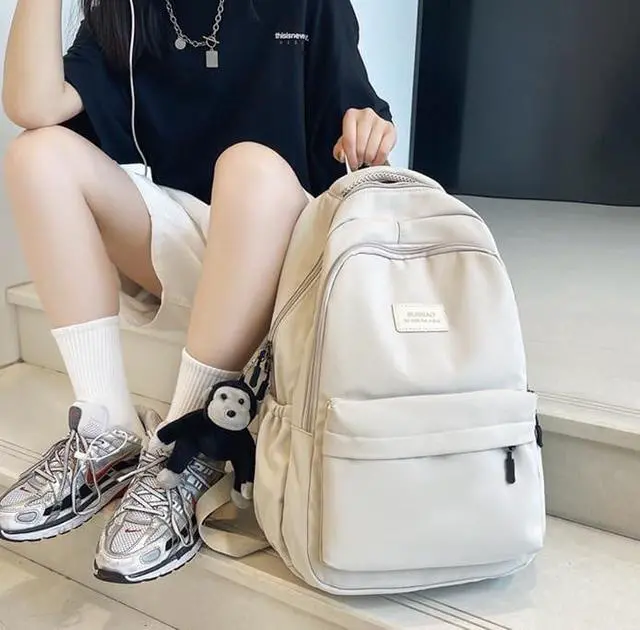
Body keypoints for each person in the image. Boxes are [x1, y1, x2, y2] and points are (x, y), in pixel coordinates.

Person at [0, 0, 396, 584]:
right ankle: (106, 428)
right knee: (35, 153)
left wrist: (368, 127)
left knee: (249, 166)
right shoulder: (127, 11)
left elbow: (356, 116)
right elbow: (33, 106)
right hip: (181, 244)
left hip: (278, 250)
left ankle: (186, 445)